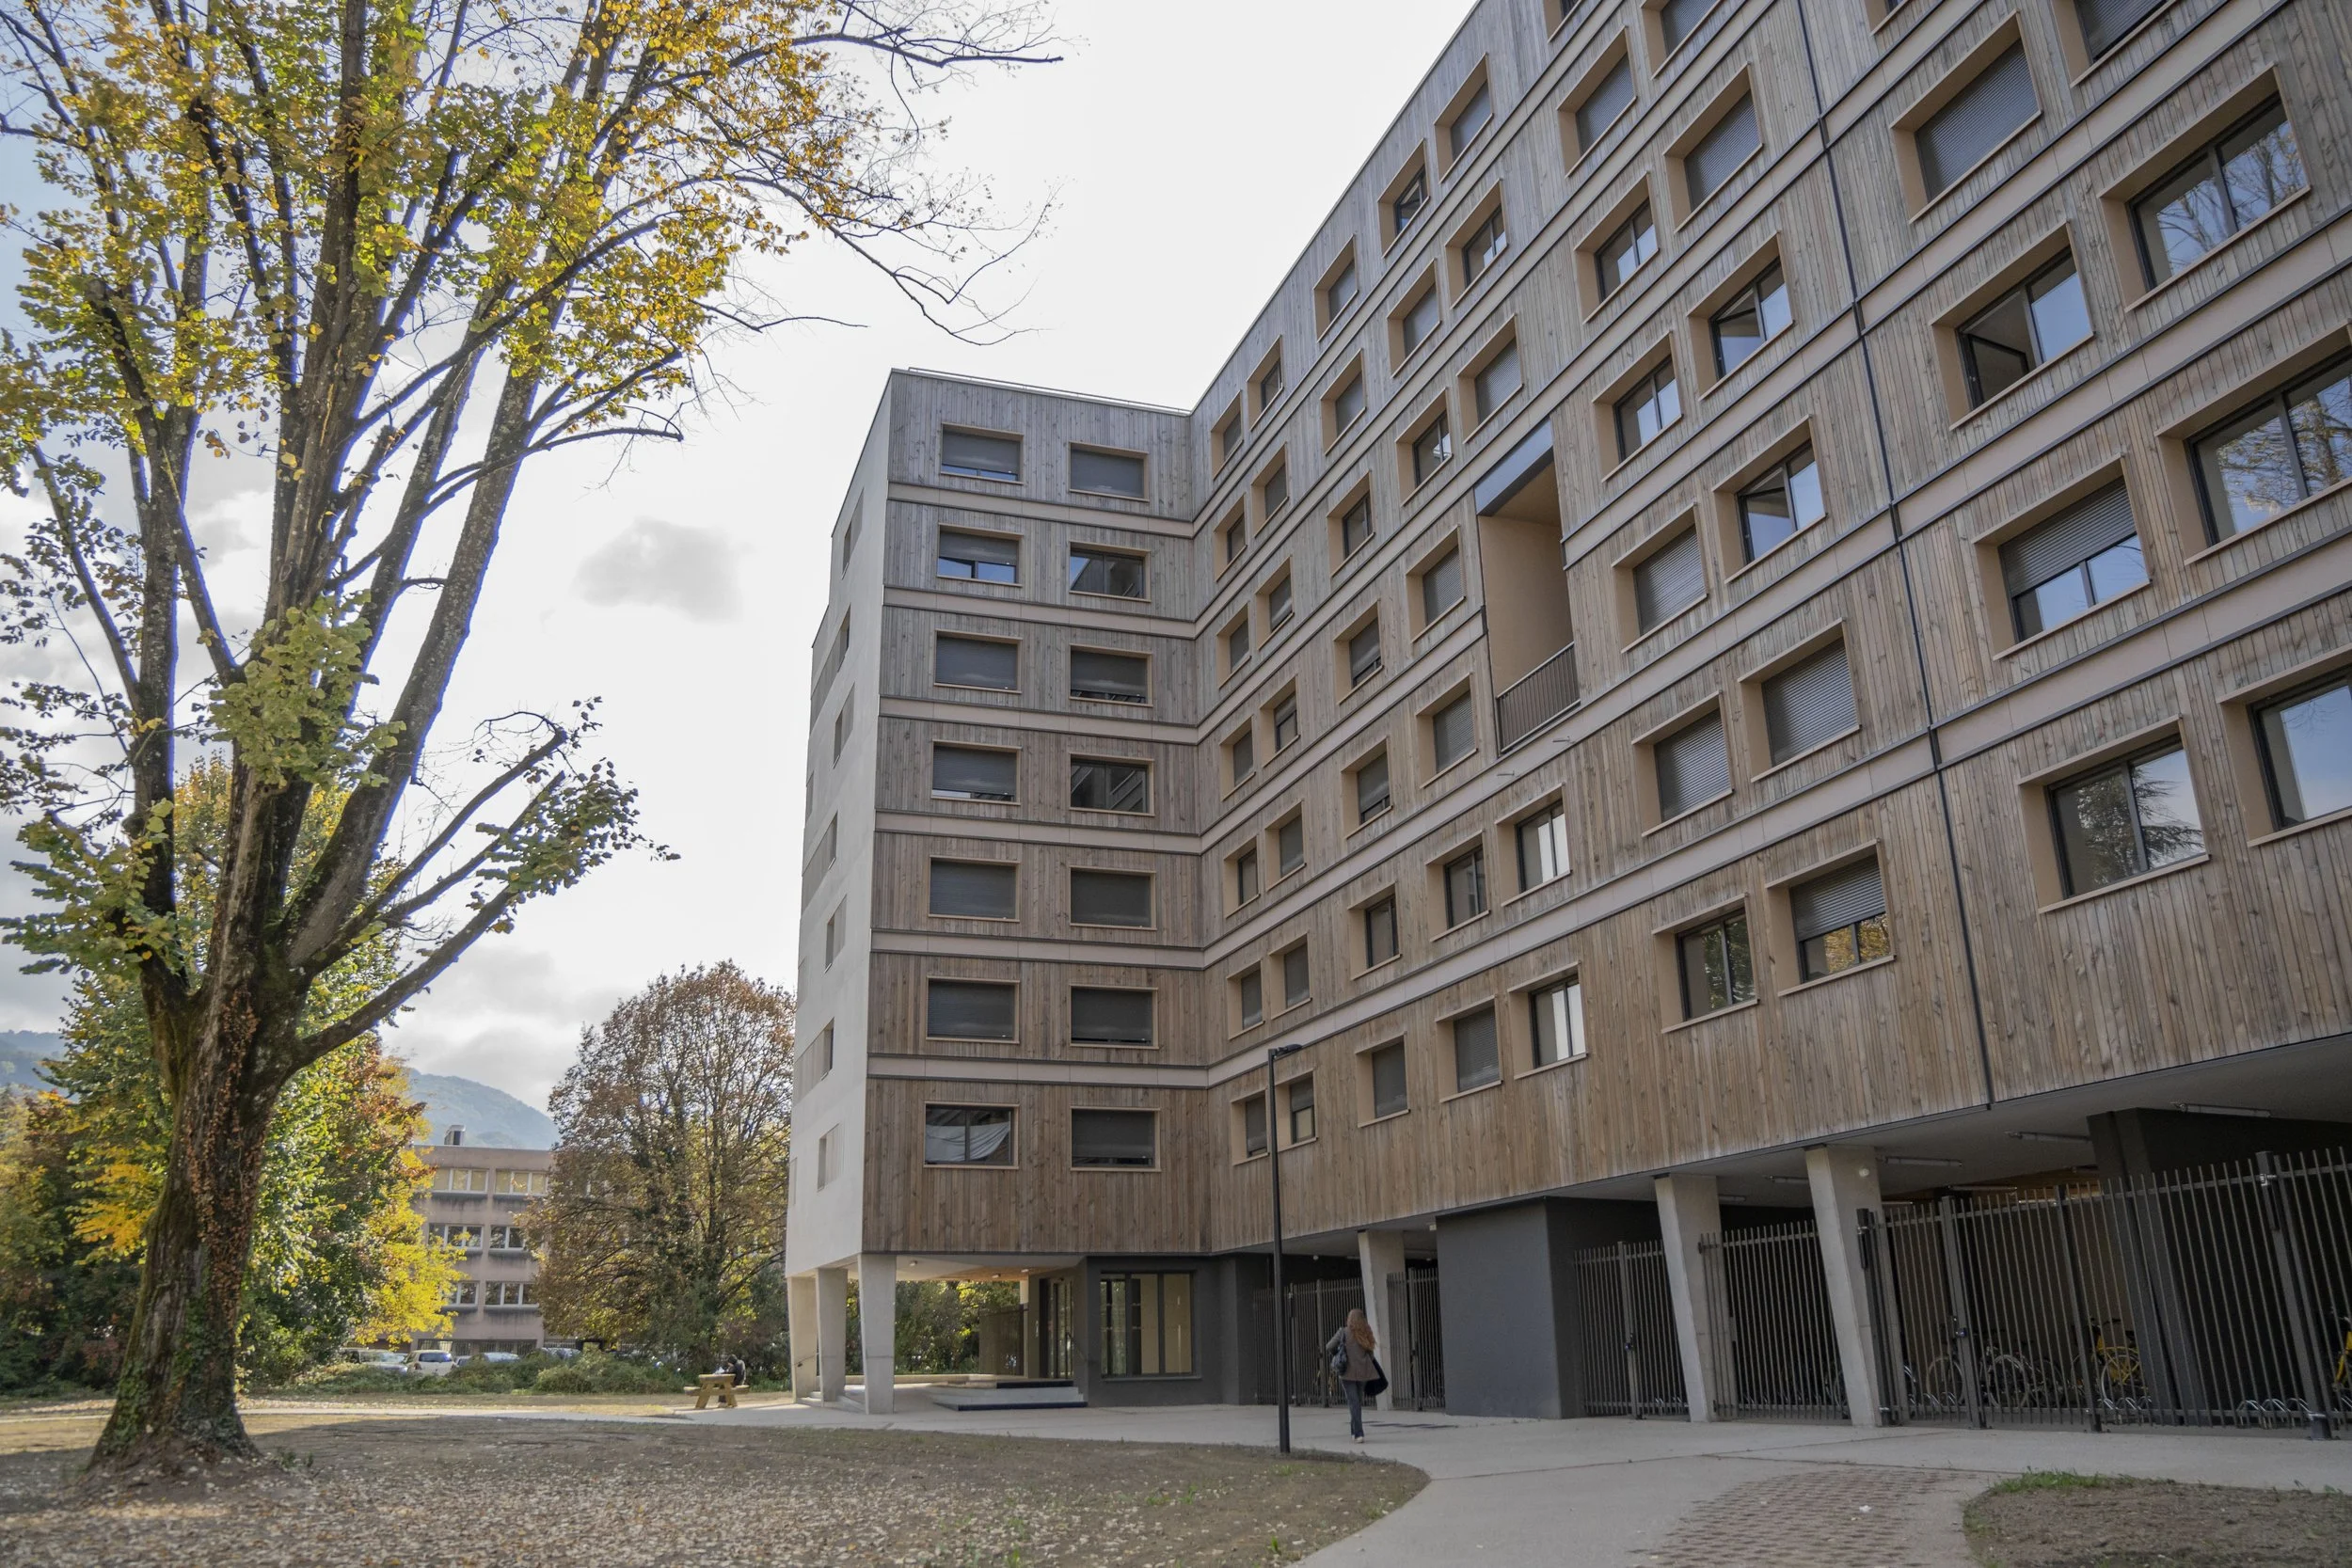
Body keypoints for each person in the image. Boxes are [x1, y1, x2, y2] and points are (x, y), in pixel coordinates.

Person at [1324, 1308, 1378, 1444]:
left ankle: (1357, 1433)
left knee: (1354, 1403)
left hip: (1347, 1372)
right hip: (1363, 1373)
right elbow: (1371, 1353)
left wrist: (1339, 1353)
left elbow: (1329, 1346)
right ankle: (1356, 1432)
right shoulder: (1366, 1332)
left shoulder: (1343, 1332)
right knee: (1357, 1402)